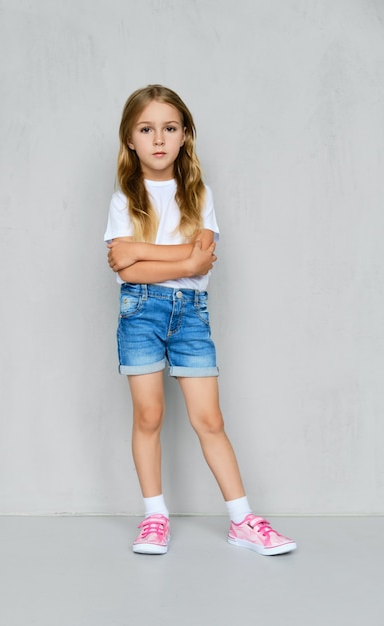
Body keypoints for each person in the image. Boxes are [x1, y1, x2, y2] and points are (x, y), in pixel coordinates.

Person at [104, 84, 296, 556]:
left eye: (169, 128)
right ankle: (154, 516)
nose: (158, 139)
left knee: (209, 418)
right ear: (130, 138)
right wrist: (182, 261)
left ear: (185, 134)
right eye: (146, 129)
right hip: (139, 312)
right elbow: (124, 269)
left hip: (190, 317)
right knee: (149, 415)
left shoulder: (199, 193)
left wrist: (149, 254)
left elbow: (198, 259)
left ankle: (242, 520)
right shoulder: (124, 197)